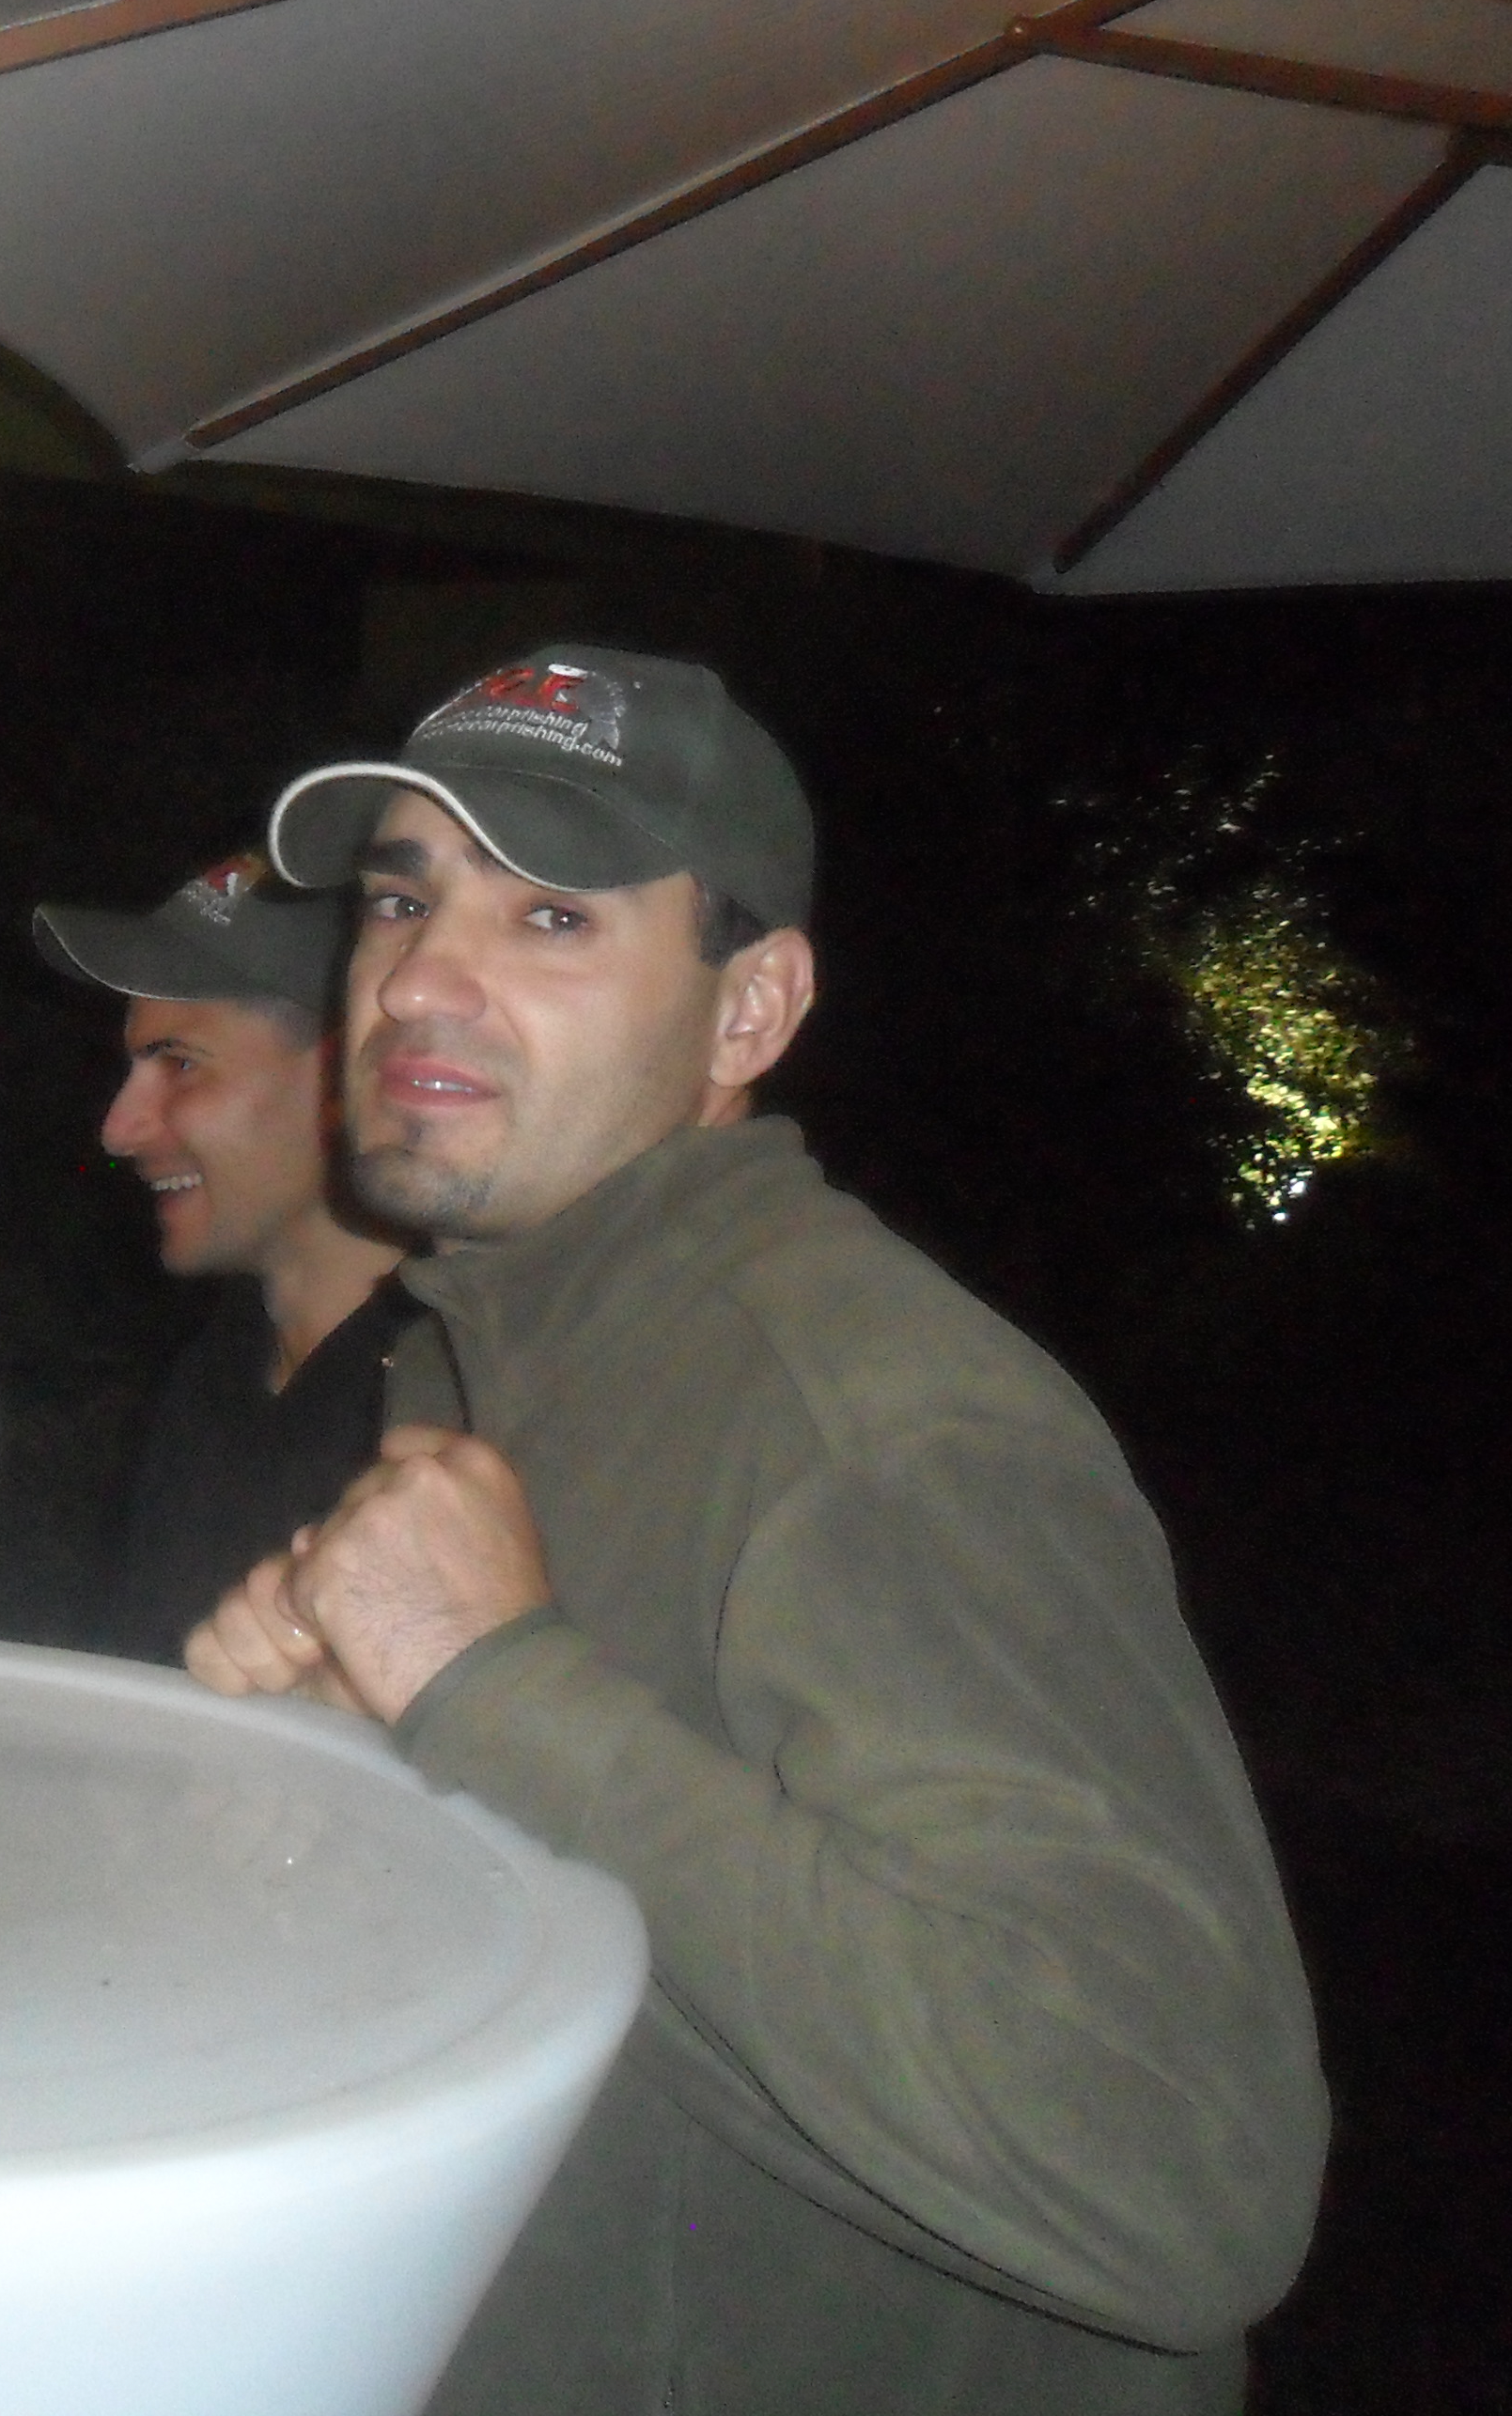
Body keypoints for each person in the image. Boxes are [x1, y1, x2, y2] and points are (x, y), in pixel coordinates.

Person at [187, 647, 1326, 2416]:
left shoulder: (879, 1424)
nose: (417, 981)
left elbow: (1178, 2180)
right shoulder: (473, 1353)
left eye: (551, 918)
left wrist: (495, 1687)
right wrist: (350, 1767)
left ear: (750, 1012)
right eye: (401, 900)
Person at [31, 850, 411, 1659]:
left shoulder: (458, 1400)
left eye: (180, 1064)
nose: (118, 1129)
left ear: (346, 1079)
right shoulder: (217, 1373)